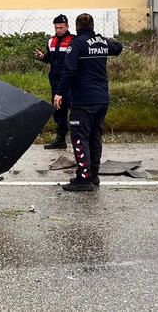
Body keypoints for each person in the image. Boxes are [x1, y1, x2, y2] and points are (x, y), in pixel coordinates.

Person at [53, 13, 123, 192]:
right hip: (102, 99)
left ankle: (83, 178)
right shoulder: (102, 42)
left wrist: (59, 93)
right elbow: (118, 48)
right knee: (94, 137)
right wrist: (101, 39)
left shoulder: (75, 44)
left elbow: (69, 70)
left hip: (83, 100)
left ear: (76, 27)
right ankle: (93, 174)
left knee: (79, 137)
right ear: (93, 26)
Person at [34, 14, 75, 169]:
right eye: (56, 28)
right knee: (58, 110)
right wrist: (43, 57)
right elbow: (51, 59)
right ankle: (61, 139)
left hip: (70, 83)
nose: (58, 30)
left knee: (75, 110)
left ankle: (81, 138)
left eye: (61, 27)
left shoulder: (73, 40)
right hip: (55, 82)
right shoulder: (51, 41)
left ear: (67, 26)